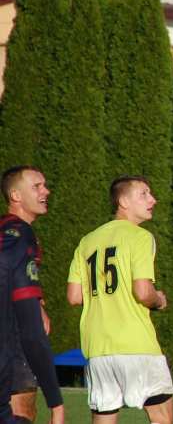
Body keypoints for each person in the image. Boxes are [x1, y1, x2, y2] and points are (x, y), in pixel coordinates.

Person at [67, 176, 173, 424]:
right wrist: (159, 300)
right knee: (162, 418)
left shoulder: (87, 241)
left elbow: (73, 296)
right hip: (136, 344)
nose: (153, 199)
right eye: (144, 194)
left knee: (104, 417)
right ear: (123, 201)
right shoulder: (140, 237)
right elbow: (143, 292)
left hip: (97, 348)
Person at [0, 171, 65, 424]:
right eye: (37, 186)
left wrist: (36, 303)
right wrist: (57, 404)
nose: (46, 191)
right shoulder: (19, 234)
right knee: (23, 412)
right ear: (15, 195)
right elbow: (31, 331)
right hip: (11, 341)